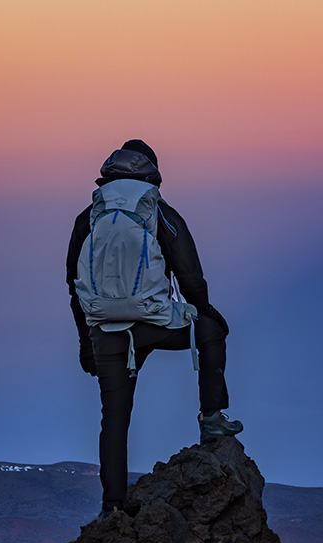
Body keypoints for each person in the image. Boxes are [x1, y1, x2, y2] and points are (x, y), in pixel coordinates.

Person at [66, 140, 242, 517]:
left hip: (107, 332)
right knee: (213, 332)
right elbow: (190, 276)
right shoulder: (158, 212)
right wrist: (206, 312)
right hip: (156, 324)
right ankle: (212, 420)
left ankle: (112, 505)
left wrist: (86, 342)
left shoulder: (89, 217)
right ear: (152, 175)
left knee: (114, 417)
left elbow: (73, 285)